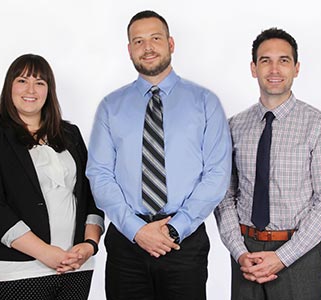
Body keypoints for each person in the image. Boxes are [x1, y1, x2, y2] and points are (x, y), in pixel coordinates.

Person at [86, 10, 231, 300]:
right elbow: (99, 174)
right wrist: (136, 229)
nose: (147, 47)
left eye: (155, 38)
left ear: (171, 43)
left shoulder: (205, 102)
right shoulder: (110, 107)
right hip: (127, 243)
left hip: (184, 242)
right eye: (138, 41)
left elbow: (217, 174)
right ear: (129, 50)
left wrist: (175, 229)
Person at [214, 28, 321, 300]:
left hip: (299, 254)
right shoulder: (234, 126)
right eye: (265, 60)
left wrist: (282, 257)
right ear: (253, 68)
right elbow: (224, 196)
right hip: (246, 254)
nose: (274, 69)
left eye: (284, 60)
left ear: (296, 68)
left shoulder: (319, 126)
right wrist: (239, 251)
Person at [0, 54, 103, 300]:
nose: (31, 89)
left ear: (49, 90)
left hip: (75, 266)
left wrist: (89, 246)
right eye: (22, 81)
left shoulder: (70, 134)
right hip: (15, 271)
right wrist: (45, 252)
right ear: (9, 86)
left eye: (40, 82)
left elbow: (92, 196)